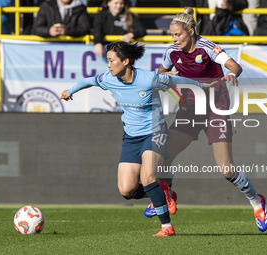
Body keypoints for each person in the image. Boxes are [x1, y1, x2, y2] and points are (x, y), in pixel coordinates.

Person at [59, 41, 217, 236]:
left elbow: (179, 81)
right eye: (107, 61)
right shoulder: (108, 78)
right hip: (131, 137)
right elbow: (89, 81)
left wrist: (204, 85)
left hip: (155, 132)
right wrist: (70, 92)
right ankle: (163, 192)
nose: (108, 65)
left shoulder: (148, 79)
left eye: (111, 60)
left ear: (125, 61)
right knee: (126, 191)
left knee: (148, 177)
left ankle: (166, 227)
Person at [144, 7, 267, 233]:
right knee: (163, 157)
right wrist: (166, 76)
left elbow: (235, 66)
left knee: (227, 170)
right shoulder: (172, 51)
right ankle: (167, 194)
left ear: (191, 31)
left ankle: (256, 202)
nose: (174, 40)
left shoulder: (207, 47)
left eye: (178, 35)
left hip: (215, 108)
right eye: (172, 35)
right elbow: (161, 73)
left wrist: (230, 74)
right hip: (190, 109)